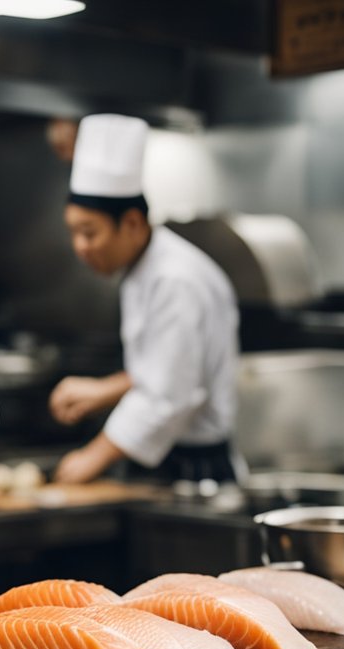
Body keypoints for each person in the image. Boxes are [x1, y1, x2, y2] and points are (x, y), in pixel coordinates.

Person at [48, 114, 239, 486]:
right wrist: (104, 390)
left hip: (192, 471)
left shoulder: (174, 280)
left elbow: (170, 395)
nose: (80, 248)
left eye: (90, 233)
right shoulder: (145, 269)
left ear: (132, 224)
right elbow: (167, 363)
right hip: (167, 460)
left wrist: (92, 457)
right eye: (73, 233)